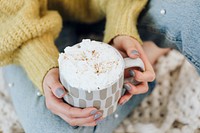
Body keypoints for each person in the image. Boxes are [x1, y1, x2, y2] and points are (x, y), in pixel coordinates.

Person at [2, 0, 196, 132]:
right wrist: (40, 61)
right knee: (51, 128)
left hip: (117, 5)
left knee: (194, 12)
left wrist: (122, 24)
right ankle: (148, 53)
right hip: (23, 22)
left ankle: (135, 58)